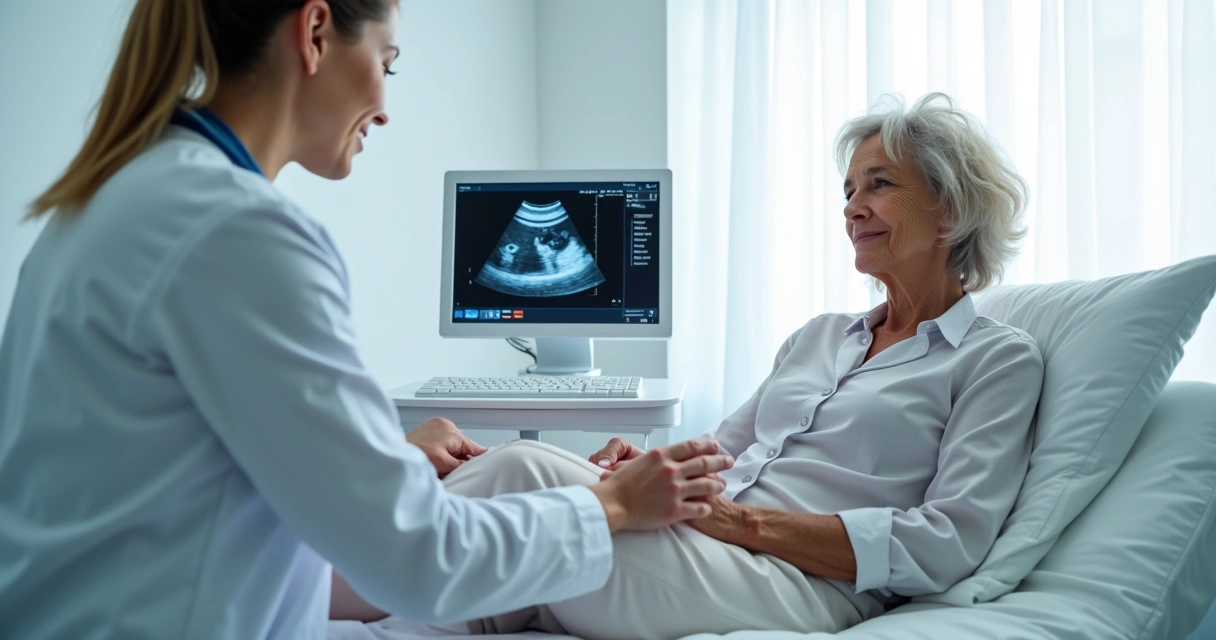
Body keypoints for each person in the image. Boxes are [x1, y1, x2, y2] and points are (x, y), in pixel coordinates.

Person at [0, 1, 735, 638]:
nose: (385, 106)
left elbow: (173, 461)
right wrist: (611, 503)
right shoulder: (240, 233)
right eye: (388, 61)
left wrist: (387, 453)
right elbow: (418, 559)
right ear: (316, 32)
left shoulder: (102, 204)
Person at [347, 92, 1046, 639]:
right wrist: (646, 469)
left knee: (521, 473)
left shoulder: (995, 361)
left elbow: (950, 542)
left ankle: (275, 580)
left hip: (797, 580)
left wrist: (740, 526)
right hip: (707, 541)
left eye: (878, 185)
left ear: (950, 206)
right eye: (848, 190)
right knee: (494, 556)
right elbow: (723, 451)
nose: (852, 209)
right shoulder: (820, 337)